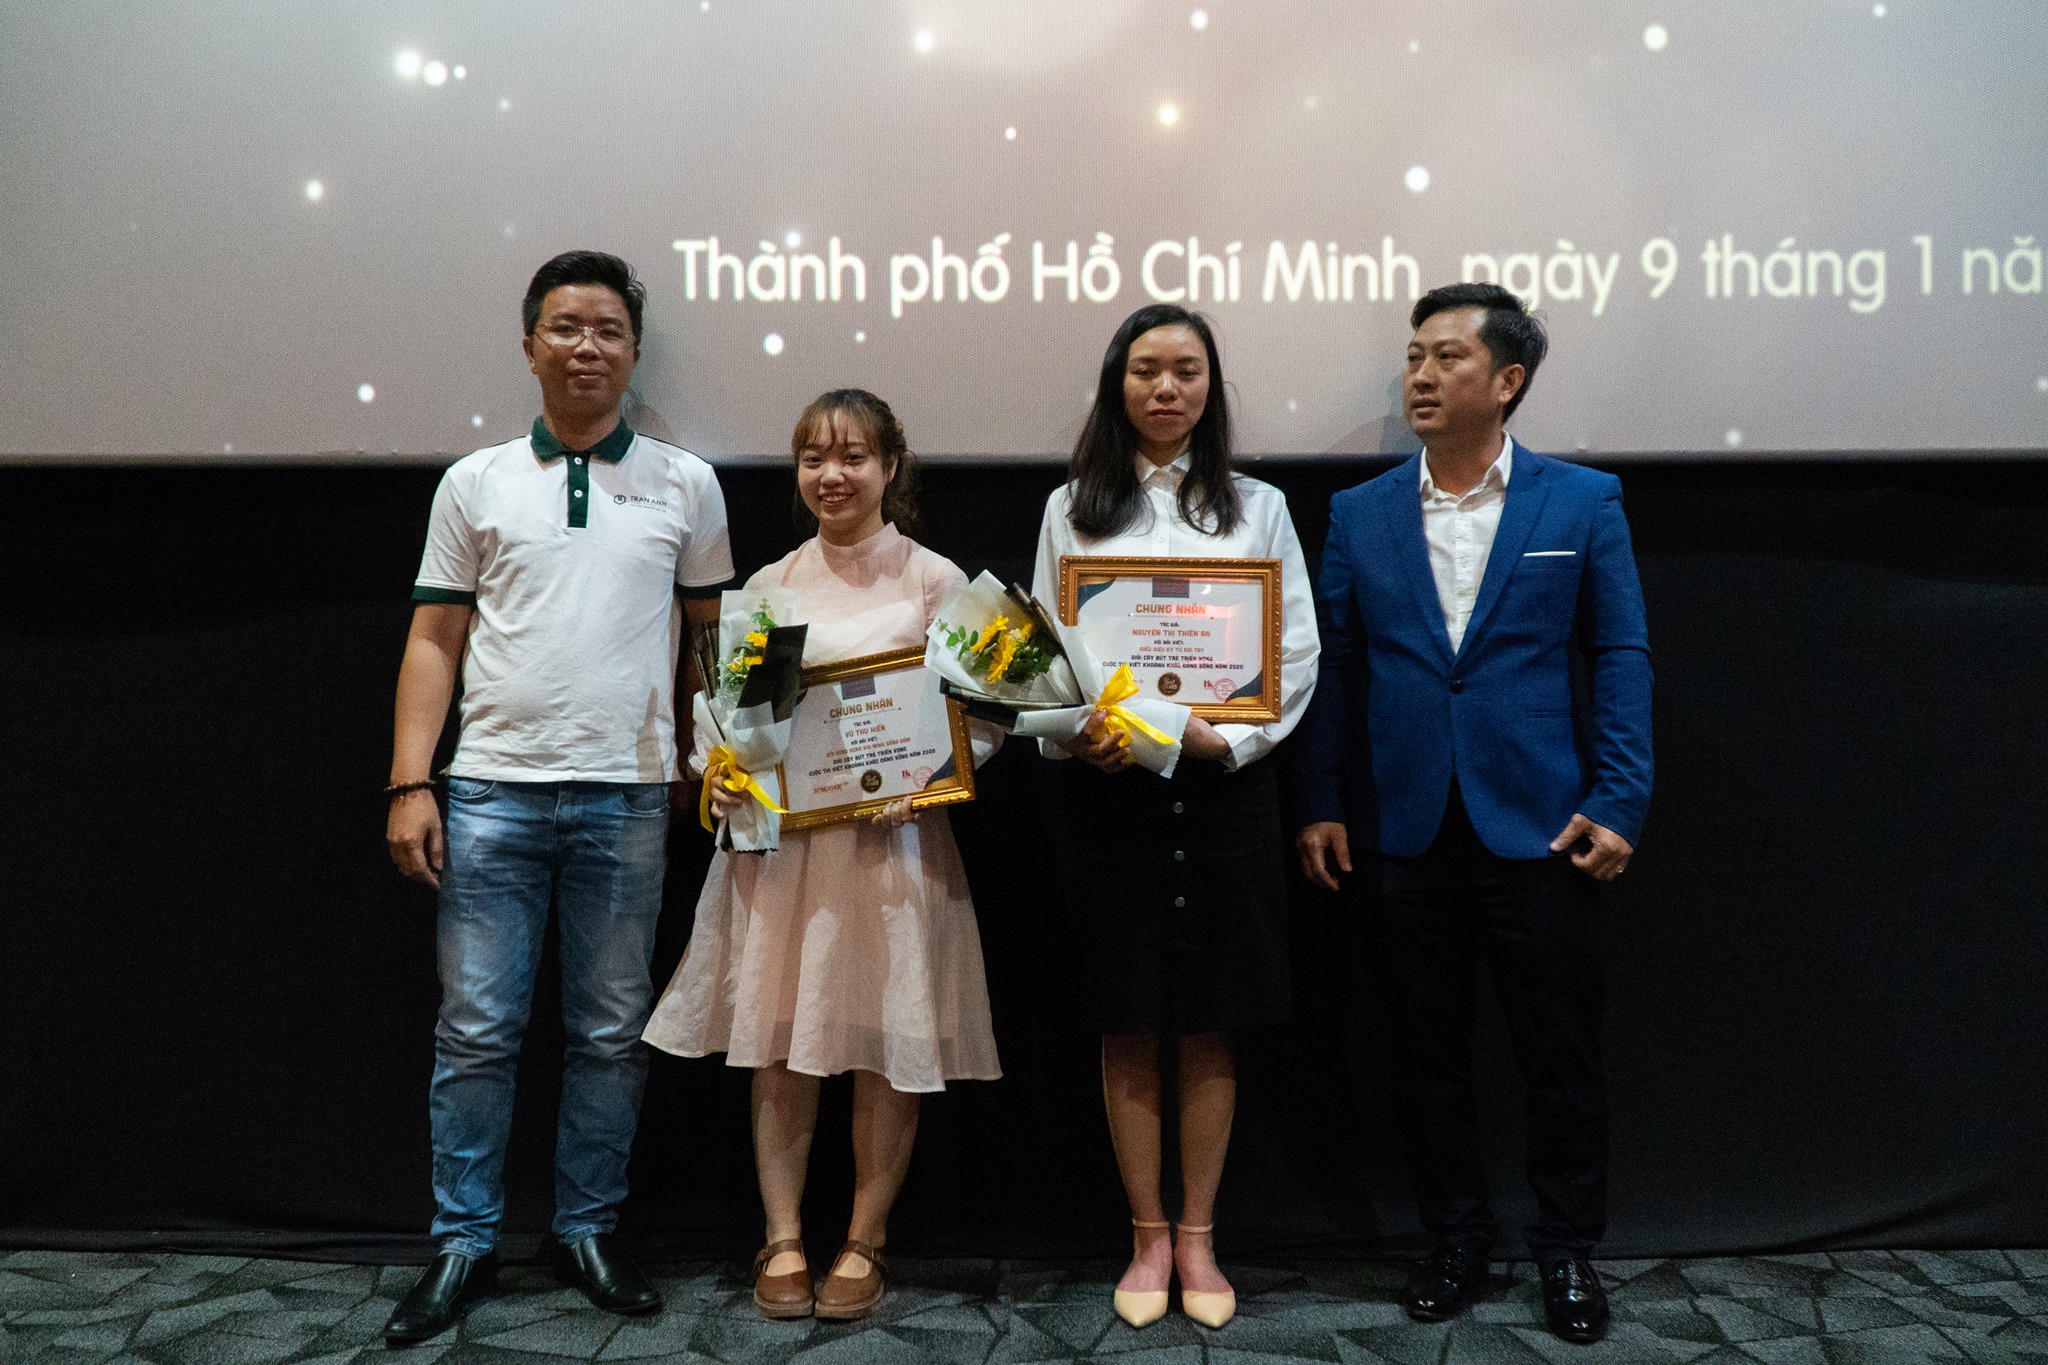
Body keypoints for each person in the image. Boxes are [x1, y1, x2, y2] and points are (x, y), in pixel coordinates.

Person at [381, 251, 734, 1344]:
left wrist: (710, 757)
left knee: (611, 1031)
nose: (588, 347)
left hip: (631, 797)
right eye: (567, 328)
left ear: (634, 351)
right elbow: (434, 639)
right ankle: (462, 1242)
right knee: (476, 1029)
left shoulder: (686, 482)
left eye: (609, 331)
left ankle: (586, 1229)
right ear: (530, 345)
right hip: (491, 789)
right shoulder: (475, 482)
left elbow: (711, 641)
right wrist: (409, 780)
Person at [1294, 282, 1652, 1345]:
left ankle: (1566, 1250)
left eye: (1446, 356)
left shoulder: (1580, 501)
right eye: (1413, 355)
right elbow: (1334, 665)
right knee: (1424, 1056)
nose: (1419, 374)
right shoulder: (1358, 514)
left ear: (1507, 381)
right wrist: (1319, 798)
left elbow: (1619, 652)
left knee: (1558, 1057)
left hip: (1542, 826)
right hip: (1404, 824)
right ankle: (1454, 1239)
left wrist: (1619, 796)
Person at [643, 389, 1002, 1322]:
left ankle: (865, 1236)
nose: (831, 475)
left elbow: (989, 716)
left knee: (888, 1039)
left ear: (891, 467)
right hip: (786, 855)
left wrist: (931, 776)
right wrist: (721, 773)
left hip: (896, 845)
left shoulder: (933, 580)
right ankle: (783, 1233)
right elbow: (731, 723)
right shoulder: (771, 583)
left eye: (852, 457)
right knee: (781, 1042)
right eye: (813, 458)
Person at [1031, 304, 1320, 1330]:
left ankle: (1198, 1234)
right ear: (1118, 384)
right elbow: (1045, 658)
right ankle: (1146, 1235)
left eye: (1186, 371)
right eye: (1145, 370)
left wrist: (1221, 742)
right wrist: (1077, 734)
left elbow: (1294, 650)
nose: (1165, 388)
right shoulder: (1071, 508)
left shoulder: (1259, 507)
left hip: (1226, 790)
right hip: (1110, 794)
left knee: (1208, 1019)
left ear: (1210, 386)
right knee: (1125, 1019)